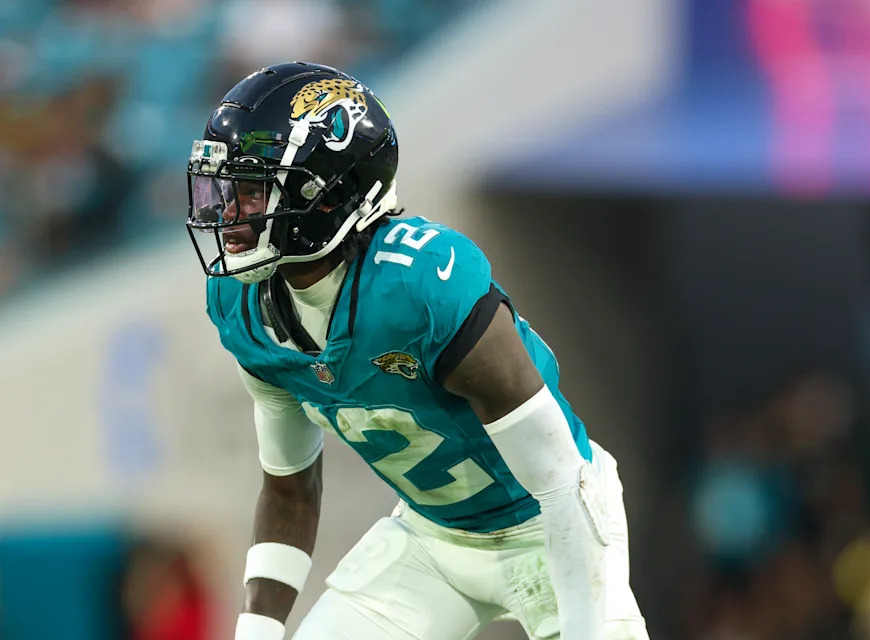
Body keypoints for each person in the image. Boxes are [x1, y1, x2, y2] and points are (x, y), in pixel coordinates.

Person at [186, 62, 647, 640]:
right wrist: (256, 630)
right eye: (226, 190)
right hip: (433, 537)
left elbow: (559, 479)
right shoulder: (242, 303)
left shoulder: (420, 285)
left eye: (252, 192)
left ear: (327, 194)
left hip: (548, 520)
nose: (227, 213)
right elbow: (289, 489)